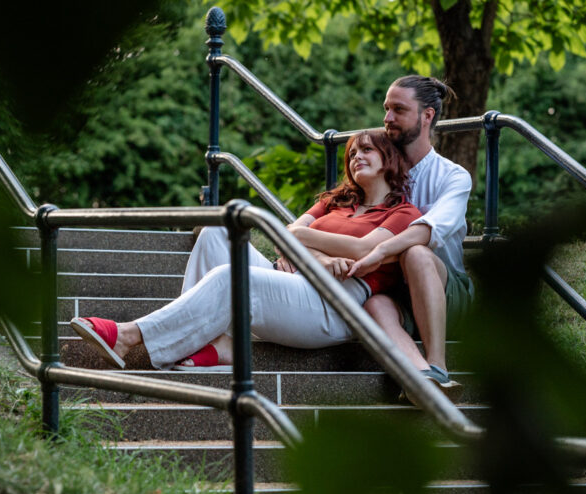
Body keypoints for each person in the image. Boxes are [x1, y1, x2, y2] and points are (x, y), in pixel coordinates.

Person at [70, 130, 421, 371]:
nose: (357, 156)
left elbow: (362, 249)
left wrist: (304, 243)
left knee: (229, 278)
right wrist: (318, 258)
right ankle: (209, 343)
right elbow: (287, 234)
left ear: (389, 157)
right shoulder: (335, 202)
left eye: (366, 149)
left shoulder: (404, 213)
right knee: (214, 232)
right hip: (299, 278)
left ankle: (130, 335)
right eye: (352, 152)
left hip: (338, 305)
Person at [346, 75, 474, 401]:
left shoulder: (453, 176)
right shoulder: (377, 170)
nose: (387, 119)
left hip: (448, 291)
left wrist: (378, 251)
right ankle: (418, 378)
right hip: (394, 290)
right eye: (386, 109)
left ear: (427, 115)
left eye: (399, 110)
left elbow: (426, 231)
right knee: (373, 302)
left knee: (415, 253)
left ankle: (439, 366)